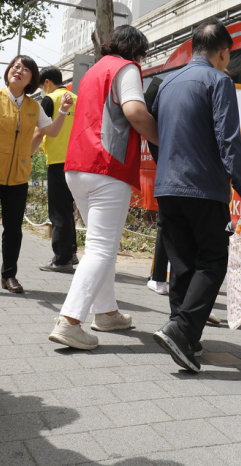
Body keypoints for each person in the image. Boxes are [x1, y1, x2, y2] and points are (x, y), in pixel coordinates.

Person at [151, 18, 241, 373]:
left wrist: (166, 168)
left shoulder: (167, 84)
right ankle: (182, 331)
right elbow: (229, 140)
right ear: (224, 52)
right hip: (202, 187)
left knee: (181, 264)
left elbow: (156, 135)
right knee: (212, 261)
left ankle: (184, 338)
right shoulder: (219, 80)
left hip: (167, 185)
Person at [47, 26, 159, 350]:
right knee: (101, 247)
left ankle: (107, 312)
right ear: (136, 51)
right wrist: (165, 139)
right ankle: (69, 321)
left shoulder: (93, 72)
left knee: (101, 245)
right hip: (107, 167)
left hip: (76, 167)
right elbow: (136, 112)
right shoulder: (127, 68)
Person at [0, 55, 73, 298]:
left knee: (13, 230)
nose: (18, 71)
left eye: (25, 69)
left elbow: (50, 130)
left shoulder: (34, 106)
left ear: (33, 78)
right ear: (9, 71)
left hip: (18, 176)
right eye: (15, 67)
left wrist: (62, 111)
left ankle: (9, 275)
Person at [35, 66, 80, 273]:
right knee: (68, 210)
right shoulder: (77, 98)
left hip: (57, 161)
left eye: (42, 86)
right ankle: (71, 253)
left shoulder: (50, 99)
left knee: (59, 212)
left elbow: (40, 129)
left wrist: (27, 152)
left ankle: (61, 260)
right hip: (78, 162)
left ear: (46, 83)